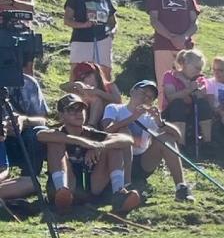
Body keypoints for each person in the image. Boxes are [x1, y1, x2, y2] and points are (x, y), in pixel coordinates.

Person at [38, 94, 139, 214]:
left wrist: (99, 146)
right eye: (72, 110)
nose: (78, 113)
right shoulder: (57, 133)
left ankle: (119, 194)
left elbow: (127, 139)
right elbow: (40, 135)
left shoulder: (91, 133)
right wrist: (81, 142)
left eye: (81, 109)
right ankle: (61, 191)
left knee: (114, 146)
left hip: (92, 185)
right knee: (56, 143)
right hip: (69, 185)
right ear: (61, 115)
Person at [101, 80, 189, 199]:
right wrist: (133, 117)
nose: (145, 98)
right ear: (132, 92)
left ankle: (181, 187)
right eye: (143, 93)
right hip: (117, 160)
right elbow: (106, 130)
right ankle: (125, 185)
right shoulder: (114, 108)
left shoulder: (149, 118)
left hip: (142, 162)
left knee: (166, 138)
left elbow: (177, 136)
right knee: (124, 133)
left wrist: (160, 122)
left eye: (150, 97)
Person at [146, 0, 200, 108]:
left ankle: (189, 112)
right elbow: (154, 20)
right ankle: (164, 112)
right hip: (163, 45)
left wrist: (184, 37)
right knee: (165, 82)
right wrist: (171, 37)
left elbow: (194, 23)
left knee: (188, 81)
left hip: (185, 46)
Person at [161, 48, 214, 179]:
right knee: (178, 104)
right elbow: (171, 96)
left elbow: (202, 96)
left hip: (192, 112)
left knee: (204, 105)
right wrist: (188, 88)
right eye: (196, 67)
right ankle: (181, 145)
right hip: (172, 113)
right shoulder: (169, 75)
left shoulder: (200, 79)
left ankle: (208, 143)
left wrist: (195, 90)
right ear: (184, 63)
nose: (198, 71)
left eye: (200, 68)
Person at [0, 73, 48, 202]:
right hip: (2, 144)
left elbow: (42, 120)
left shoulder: (28, 83)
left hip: (23, 139)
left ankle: (30, 177)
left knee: (38, 133)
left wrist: (23, 120)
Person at [63, 0, 117, 78]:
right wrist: (83, 25)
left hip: (103, 40)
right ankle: (74, 95)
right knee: (77, 72)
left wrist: (112, 32)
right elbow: (67, 20)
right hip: (81, 40)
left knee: (104, 73)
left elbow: (113, 22)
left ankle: (102, 95)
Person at [61, 62, 120, 128]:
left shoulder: (110, 86)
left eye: (88, 76)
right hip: (85, 119)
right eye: (82, 79)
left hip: (108, 120)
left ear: (96, 74)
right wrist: (76, 84)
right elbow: (62, 87)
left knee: (96, 99)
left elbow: (118, 100)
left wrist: (98, 92)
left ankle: (91, 126)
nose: (86, 80)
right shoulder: (82, 89)